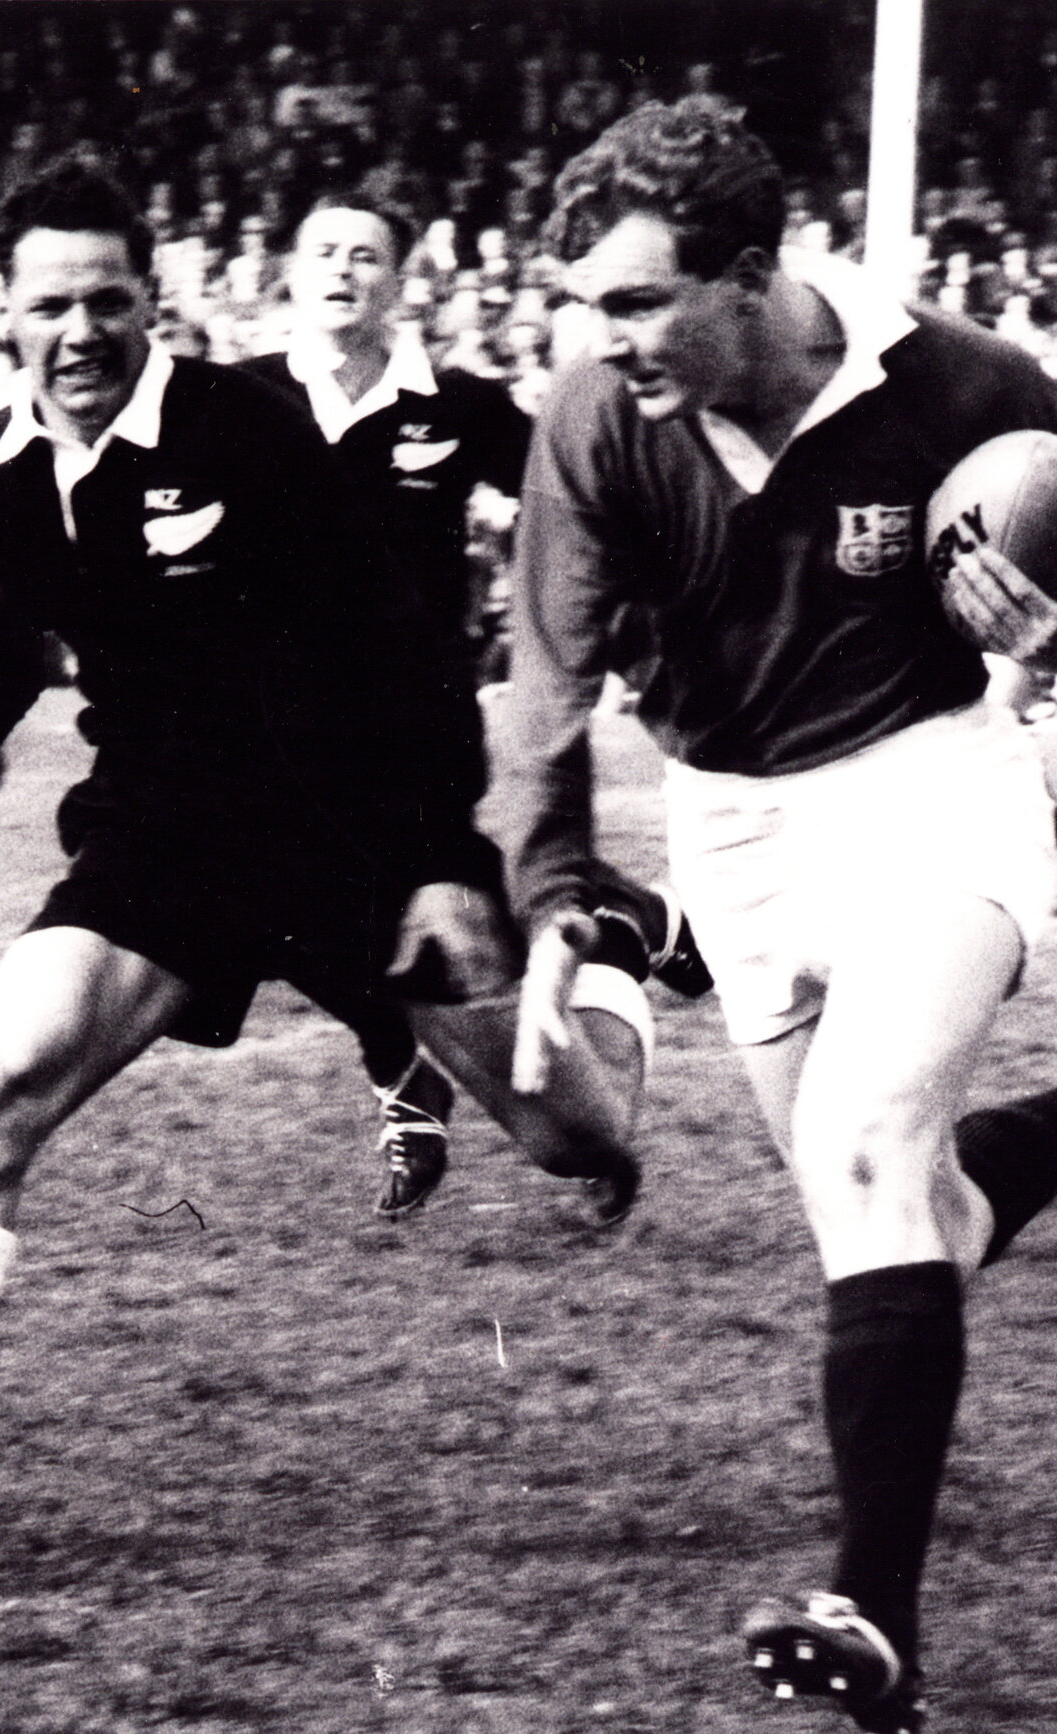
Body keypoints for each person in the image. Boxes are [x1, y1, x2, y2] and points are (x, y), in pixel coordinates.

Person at [0, 157, 651, 1564]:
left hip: (348, 833)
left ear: (152, 302)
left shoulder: (246, 433)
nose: (78, 332)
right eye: (48, 305)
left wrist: (441, 858)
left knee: (573, 1132)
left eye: (107, 300)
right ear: (2, 311)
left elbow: (389, 646)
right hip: (164, 838)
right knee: (0, 1082)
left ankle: (612, 979)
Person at [504, 100, 1057, 1733]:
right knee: (917, 1211)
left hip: (932, 786)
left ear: (751, 272)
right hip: (733, 826)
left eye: (632, 304)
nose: (599, 340)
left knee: (858, 1141)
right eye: (582, 307)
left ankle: (875, 1617)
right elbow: (546, 677)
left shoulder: (967, 389)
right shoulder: (597, 418)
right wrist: (554, 885)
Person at [236, 191, 711, 1217]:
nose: (342, 269)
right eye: (323, 251)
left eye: (367, 255)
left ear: (399, 284)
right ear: (288, 272)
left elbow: (575, 494)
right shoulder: (236, 403)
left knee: (456, 913)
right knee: (284, 909)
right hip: (283, 729)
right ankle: (424, 1076)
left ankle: (616, 933)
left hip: (420, 723)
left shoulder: (451, 404)